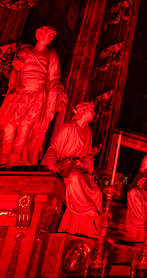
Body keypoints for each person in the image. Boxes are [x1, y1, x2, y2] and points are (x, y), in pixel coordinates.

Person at [0, 26, 67, 166]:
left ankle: (15, 157)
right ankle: (4, 156)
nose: (51, 38)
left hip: (38, 95)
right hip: (21, 92)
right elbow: (16, 71)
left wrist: (57, 89)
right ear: (40, 34)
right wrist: (13, 87)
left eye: (52, 37)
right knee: (9, 125)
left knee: (25, 126)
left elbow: (54, 78)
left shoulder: (51, 55)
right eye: (49, 35)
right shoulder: (24, 52)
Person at [42, 101, 103, 239]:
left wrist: (84, 163)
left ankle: (92, 230)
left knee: (97, 193)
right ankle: (89, 210)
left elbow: (88, 156)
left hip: (79, 169)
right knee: (75, 178)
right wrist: (51, 162)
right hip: (64, 168)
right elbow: (54, 148)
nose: (94, 113)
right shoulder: (68, 127)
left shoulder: (88, 133)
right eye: (92, 110)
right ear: (83, 110)